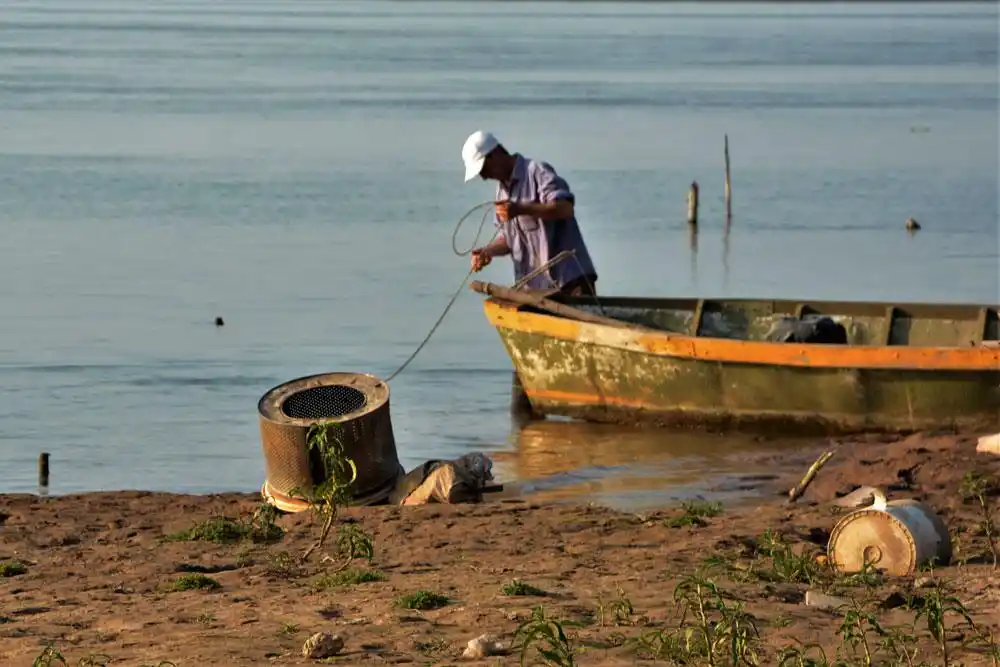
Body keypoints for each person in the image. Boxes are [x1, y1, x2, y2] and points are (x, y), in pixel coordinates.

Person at [461, 130, 598, 297]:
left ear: (494, 155)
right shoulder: (501, 192)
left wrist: (521, 209)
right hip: (537, 291)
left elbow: (565, 208)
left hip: (570, 283)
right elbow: (510, 239)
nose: (483, 177)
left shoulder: (537, 172)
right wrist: (488, 251)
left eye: (483, 170)